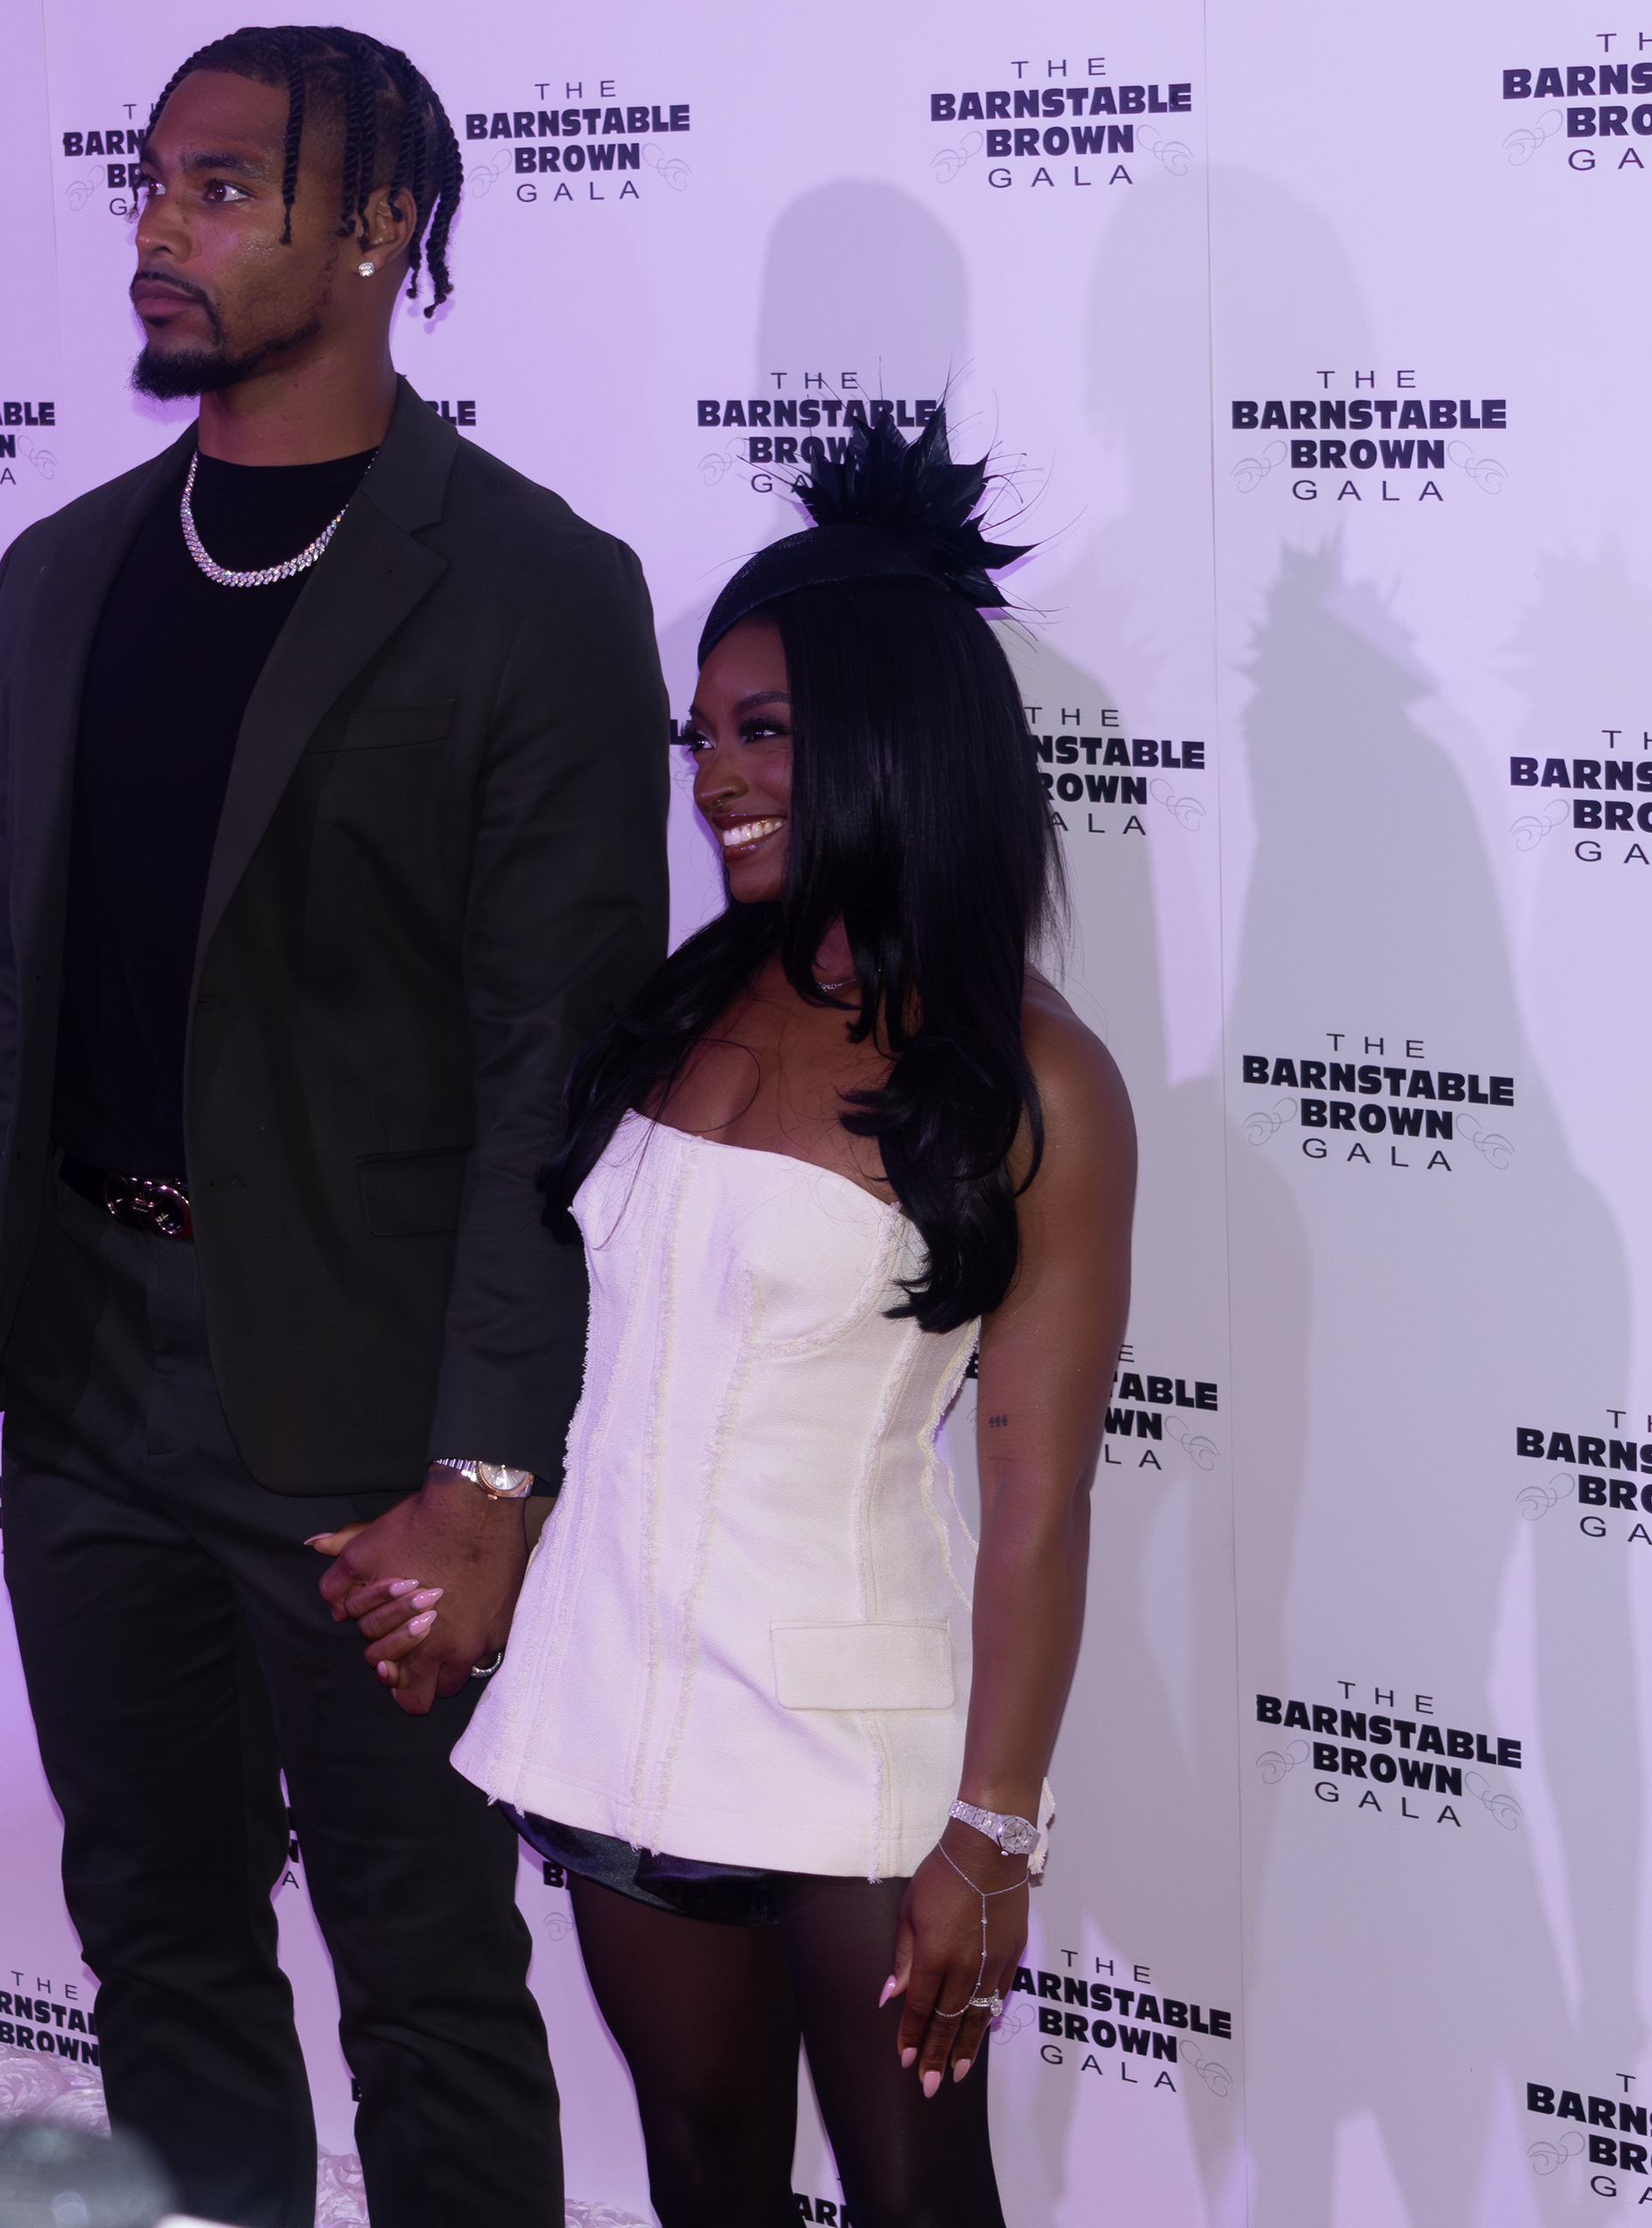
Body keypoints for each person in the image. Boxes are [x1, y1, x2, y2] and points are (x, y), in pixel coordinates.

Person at [0, 25, 669, 2228]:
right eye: (149, 185)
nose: (156, 233)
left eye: (221, 190)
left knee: (426, 1979)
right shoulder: (60, 577)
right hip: (88, 1384)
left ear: (379, 228)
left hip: (366, 1421)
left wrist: (490, 1473)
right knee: (162, 1953)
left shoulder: (532, 588)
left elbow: (550, 1081)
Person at [411, 414, 1135, 2226]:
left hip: (858, 1742)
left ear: (894, 739)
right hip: (616, 1692)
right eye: (706, 738)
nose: (717, 777)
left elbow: (1039, 1496)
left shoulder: (1034, 1079)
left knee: (916, 2202)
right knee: (702, 2186)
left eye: (766, 734)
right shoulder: (679, 1001)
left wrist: (998, 1825)